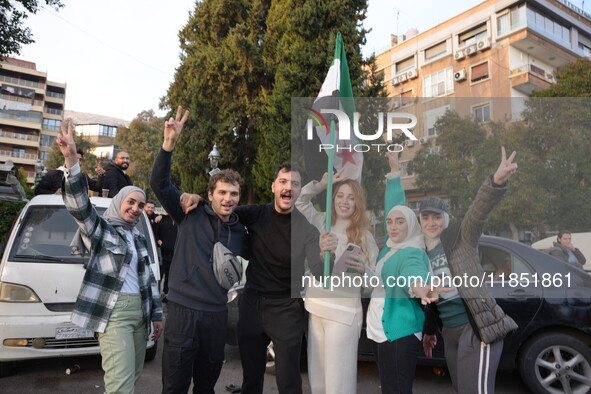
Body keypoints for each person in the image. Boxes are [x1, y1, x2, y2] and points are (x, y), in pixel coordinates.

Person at [181, 161, 324, 394]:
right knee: (251, 378)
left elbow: (320, 273)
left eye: (295, 184)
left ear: (299, 191)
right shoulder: (256, 213)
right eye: (283, 182)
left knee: (288, 381)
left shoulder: (307, 229)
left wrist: (327, 252)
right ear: (274, 187)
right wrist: (198, 199)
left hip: (286, 308)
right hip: (252, 304)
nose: (288, 187)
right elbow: (222, 208)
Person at [56, 121, 163, 394]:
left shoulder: (138, 238)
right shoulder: (101, 230)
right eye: (131, 202)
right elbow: (80, 206)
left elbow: (149, 278)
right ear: (119, 203)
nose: (136, 209)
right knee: (120, 385)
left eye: (141, 205)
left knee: (133, 376)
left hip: (141, 314)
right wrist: (71, 161)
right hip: (114, 314)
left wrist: (157, 315)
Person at [150, 106, 246, 394]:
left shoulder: (241, 230)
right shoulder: (189, 214)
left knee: (206, 387)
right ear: (210, 195)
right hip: (182, 312)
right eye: (222, 193)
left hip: (216, 316)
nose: (228, 199)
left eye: (233, 194)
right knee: (175, 387)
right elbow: (159, 183)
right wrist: (168, 145)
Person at [420, 147, 519, 394]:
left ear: (446, 217)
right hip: (450, 333)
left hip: (476, 328)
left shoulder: (460, 237)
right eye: (426, 217)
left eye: (437, 217)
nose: (431, 222)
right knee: (460, 388)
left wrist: (495, 183)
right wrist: (430, 331)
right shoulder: (422, 253)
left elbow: (477, 213)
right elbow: (432, 298)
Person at [295, 169, 378, 394]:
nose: (345, 202)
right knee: (318, 383)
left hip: (343, 316)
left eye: (351, 197)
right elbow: (300, 201)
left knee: (337, 385)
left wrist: (363, 270)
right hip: (316, 310)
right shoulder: (322, 222)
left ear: (358, 203)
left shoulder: (365, 236)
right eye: (340, 195)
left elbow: (374, 283)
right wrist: (319, 185)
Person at [365, 152, 439, 394]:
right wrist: (394, 170)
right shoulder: (389, 246)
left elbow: (413, 276)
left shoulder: (412, 252)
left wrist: (422, 289)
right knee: (388, 388)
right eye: (389, 222)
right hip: (378, 332)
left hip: (398, 334)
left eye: (400, 222)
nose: (393, 226)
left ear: (411, 224)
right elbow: (393, 204)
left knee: (396, 390)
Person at [35, 149, 104, 195]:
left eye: (79, 159)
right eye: (75, 158)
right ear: (67, 159)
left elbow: (97, 188)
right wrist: (54, 193)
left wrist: (101, 175)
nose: (78, 162)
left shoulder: (83, 177)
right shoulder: (54, 174)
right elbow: (38, 191)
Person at [153, 211, 177, 297]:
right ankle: (156, 294)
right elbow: (155, 233)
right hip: (162, 253)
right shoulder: (161, 219)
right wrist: (160, 242)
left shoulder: (179, 220)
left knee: (170, 274)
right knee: (159, 274)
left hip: (174, 253)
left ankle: (167, 293)